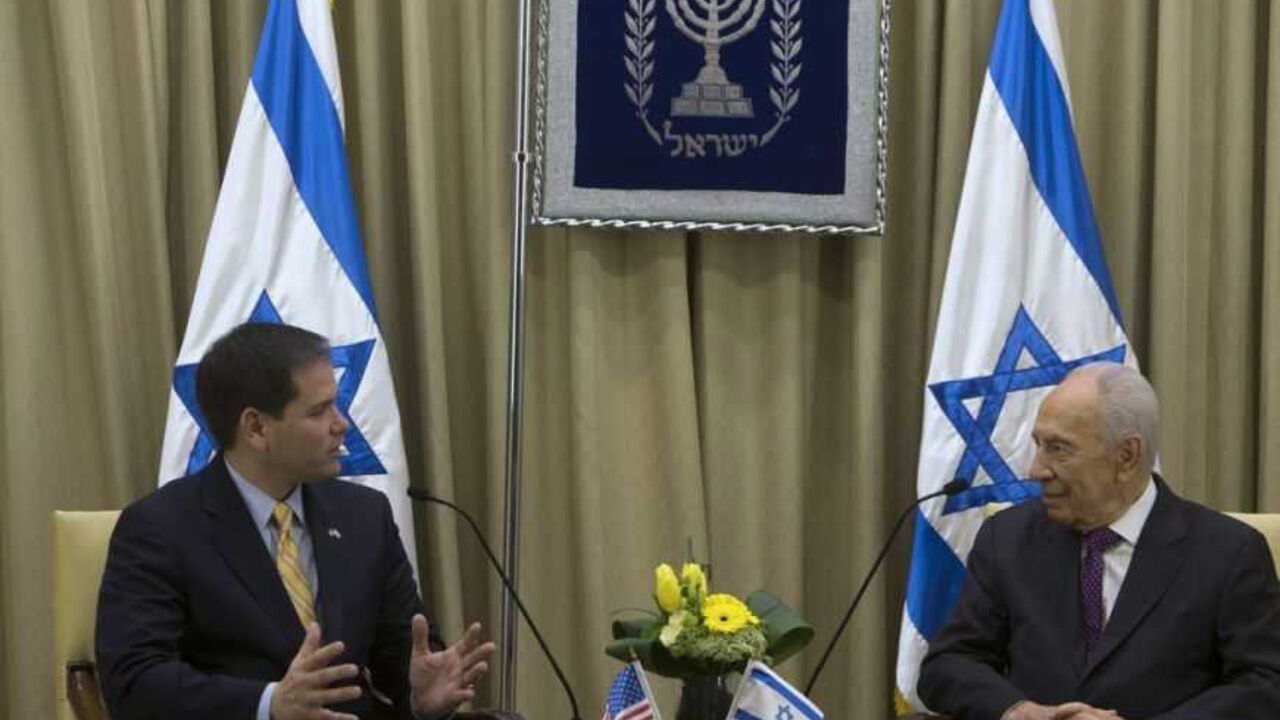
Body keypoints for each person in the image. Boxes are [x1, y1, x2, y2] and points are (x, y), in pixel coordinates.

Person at [96, 322, 495, 720]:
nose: (341, 424)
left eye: (336, 405)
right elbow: (135, 683)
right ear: (256, 428)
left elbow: (403, 651)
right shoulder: (160, 528)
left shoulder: (364, 515)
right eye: (319, 411)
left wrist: (419, 695)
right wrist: (268, 704)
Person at [918, 362, 1280, 720]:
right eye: (1038, 445)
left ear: (1127, 456)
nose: (1035, 470)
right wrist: (1019, 711)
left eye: (1059, 448)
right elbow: (949, 664)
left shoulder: (1228, 552)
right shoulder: (1007, 538)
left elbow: (1266, 685)